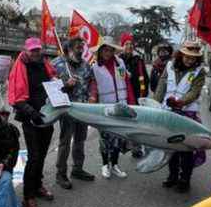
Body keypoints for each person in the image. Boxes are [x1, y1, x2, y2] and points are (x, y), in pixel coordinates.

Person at [8, 37, 58, 207]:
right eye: (33, 50)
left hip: (46, 116)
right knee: (34, 157)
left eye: (38, 50)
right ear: (26, 50)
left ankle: (38, 186)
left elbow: (54, 86)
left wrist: (65, 87)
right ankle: (28, 197)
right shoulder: (20, 66)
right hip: (31, 119)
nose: (36, 53)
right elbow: (16, 97)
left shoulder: (44, 64)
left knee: (42, 154)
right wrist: (32, 113)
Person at [153, 41, 207, 193]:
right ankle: (172, 176)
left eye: (194, 58)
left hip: (187, 113)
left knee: (186, 148)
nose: (190, 60)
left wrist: (180, 102)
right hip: (168, 112)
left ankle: (185, 179)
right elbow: (161, 87)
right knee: (171, 146)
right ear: (181, 54)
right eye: (188, 57)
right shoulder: (169, 66)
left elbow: (194, 92)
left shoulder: (199, 71)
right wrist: (155, 106)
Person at [51, 37, 96, 189]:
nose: (81, 50)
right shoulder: (57, 64)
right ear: (69, 49)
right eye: (77, 47)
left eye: (82, 47)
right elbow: (50, 87)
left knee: (80, 140)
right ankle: (61, 173)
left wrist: (92, 95)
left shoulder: (85, 65)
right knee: (65, 142)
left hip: (83, 109)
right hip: (67, 110)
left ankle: (77, 169)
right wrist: (64, 84)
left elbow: (91, 82)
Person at [89, 36, 136, 179]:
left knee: (118, 138)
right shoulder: (95, 67)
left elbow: (127, 83)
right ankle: (105, 165)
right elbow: (93, 86)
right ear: (101, 51)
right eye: (105, 50)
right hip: (105, 107)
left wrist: (132, 102)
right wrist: (92, 99)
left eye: (110, 50)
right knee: (105, 138)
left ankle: (114, 165)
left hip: (121, 106)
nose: (108, 53)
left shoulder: (120, 63)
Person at [119, 32, 150, 104]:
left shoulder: (138, 60)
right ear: (122, 46)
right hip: (123, 96)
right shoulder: (118, 61)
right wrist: (126, 76)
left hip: (138, 96)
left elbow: (145, 79)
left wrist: (143, 94)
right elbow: (119, 79)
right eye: (126, 44)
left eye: (131, 44)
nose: (129, 46)